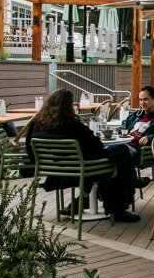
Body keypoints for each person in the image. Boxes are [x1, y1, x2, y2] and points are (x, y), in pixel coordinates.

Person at [25, 89, 140, 222]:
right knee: (121, 152)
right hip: (81, 169)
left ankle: (84, 198)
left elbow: (30, 147)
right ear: (69, 105)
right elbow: (96, 145)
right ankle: (118, 207)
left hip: (52, 169)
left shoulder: (36, 123)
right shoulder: (72, 124)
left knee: (109, 155)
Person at [119, 85, 154, 185]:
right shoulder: (136, 115)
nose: (142, 103)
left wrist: (149, 138)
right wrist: (122, 133)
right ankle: (132, 179)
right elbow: (122, 128)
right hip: (124, 144)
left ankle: (130, 179)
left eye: (145, 99)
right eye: (140, 100)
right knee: (107, 155)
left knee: (117, 154)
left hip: (139, 150)